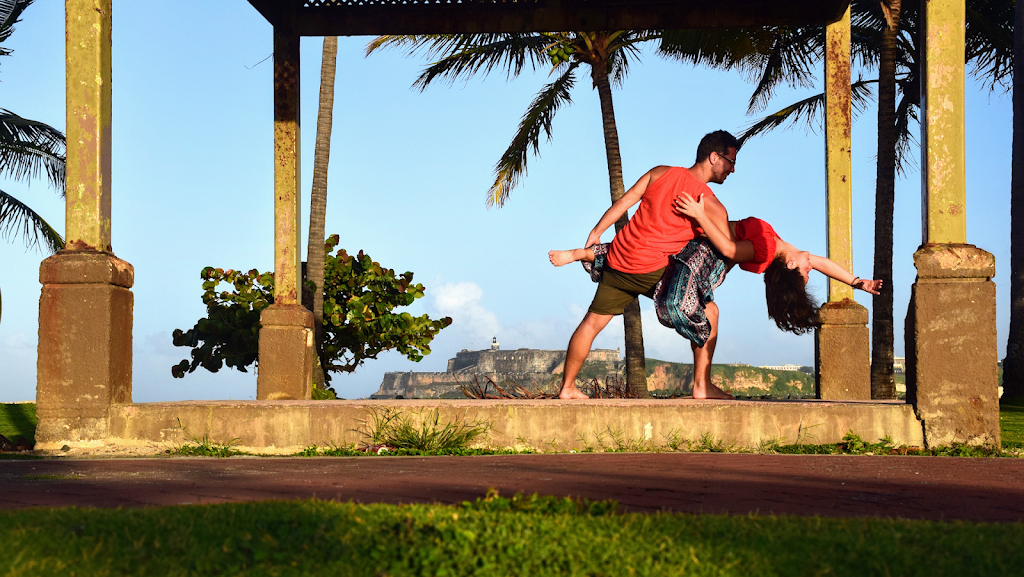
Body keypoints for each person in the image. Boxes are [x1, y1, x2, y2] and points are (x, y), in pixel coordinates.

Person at [551, 130, 740, 400]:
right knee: (709, 310)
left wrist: (596, 231)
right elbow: (726, 250)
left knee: (591, 324)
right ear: (713, 157)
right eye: (730, 162)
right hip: (652, 271)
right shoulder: (711, 205)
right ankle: (702, 386)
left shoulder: (660, 172)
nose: (732, 169)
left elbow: (625, 202)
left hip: (618, 259)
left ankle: (567, 388)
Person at [672, 193, 883, 333]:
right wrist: (857, 282)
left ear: (790, 264)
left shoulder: (767, 251)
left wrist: (700, 215)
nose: (811, 266)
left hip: (699, 231)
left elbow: (729, 250)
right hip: (701, 229)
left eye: (807, 271)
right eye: (810, 271)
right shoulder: (780, 247)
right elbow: (824, 263)